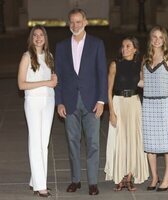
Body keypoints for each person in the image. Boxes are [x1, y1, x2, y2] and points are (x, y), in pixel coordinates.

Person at [55, 8, 108, 195]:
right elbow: (58, 77)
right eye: (72, 22)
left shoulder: (96, 44)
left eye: (79, 21)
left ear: (85, 22)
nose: (75, 25)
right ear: (68, 23)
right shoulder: (61, 46)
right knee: (72, 142)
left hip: (92, 101)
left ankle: (92, 182)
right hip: (69, 102)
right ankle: (75, 180)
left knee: (93, 143)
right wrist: (59, 102)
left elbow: (102, 74)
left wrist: (102, 101)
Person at [104, 36, 149, 191]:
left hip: (134, 103)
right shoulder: (115, 64)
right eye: (123, 46)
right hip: (118, 102)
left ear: (135, 49)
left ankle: (129, 177)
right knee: (119, 139)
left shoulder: (140, 64)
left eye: (128, 46)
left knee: (133, 140)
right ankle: (120, 175)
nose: (124, 49)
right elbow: (109, 90)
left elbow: (143, 83)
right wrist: (111, 112)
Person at [18, 25, 57, 197]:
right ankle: (40, 186)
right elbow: (21, 85)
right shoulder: (27, 57)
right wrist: (46, 83)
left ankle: (36, 180)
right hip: (33, 102)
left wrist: (54, 80)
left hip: (48, 101)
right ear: (31, 38)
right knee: (35, 142)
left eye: (41, 35)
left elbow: (51, 79)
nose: (38, 37)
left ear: (45, 38)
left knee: (43, 144)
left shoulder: (49, 56)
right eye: (35, 35)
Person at [141, 25, 168, 192]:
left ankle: (166, 177)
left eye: (160, 37)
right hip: (148, 104)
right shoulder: (145, 59)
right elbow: (142, 82)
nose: (157, 40)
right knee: (150, 143)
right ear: (150, 39)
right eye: (154, 37)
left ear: (165, 39)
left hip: (165, 104)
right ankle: (154, 176)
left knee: (167, 143)